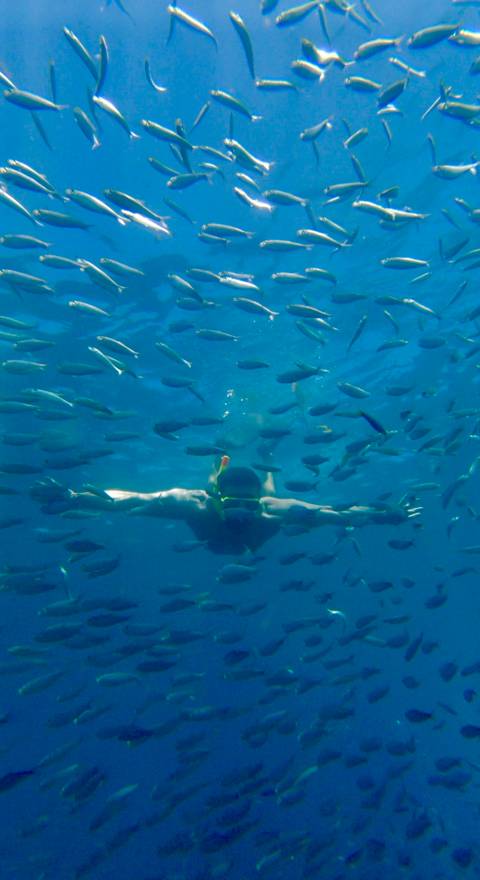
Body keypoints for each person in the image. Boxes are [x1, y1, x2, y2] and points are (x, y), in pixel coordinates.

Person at [32, 458, 421, 556]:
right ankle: (218, 463)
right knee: (211, 483)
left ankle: (259, 460)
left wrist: (390, 515)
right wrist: (74, 497)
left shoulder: (273, 508)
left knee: (272, 485)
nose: (240, 511)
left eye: (246, 504)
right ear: (218, 499)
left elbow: (336, 513)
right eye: (231, 502)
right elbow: (132, 499)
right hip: (216, 520)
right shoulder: (195, 504)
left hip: (256, 524)